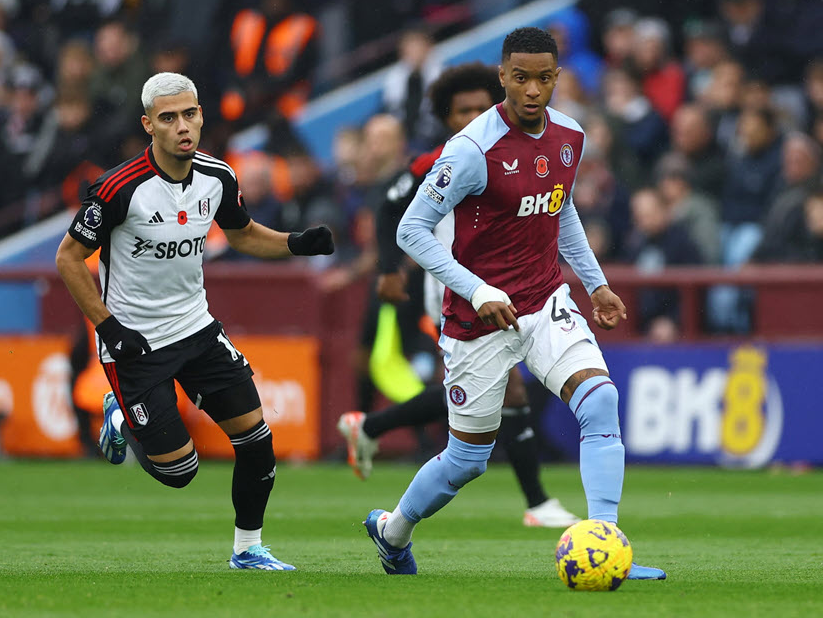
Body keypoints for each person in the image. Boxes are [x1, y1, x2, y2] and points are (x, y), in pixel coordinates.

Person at [361, 28, 666, 581]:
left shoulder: (570, 135)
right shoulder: (471, 150)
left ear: (557, 78)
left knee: (600, 403)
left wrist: (595, 283)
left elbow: (561, 209)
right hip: (476, 323)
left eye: (544, 78)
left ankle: (606, 542)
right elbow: (411, 230)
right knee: (467, 461)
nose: (532, 90)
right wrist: (478, 289)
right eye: (520, 78)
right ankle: (392, 531)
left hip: (546, 299)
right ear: (503, 76)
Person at [55, 72, 334, 571]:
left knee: (257, 440)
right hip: (135, 343)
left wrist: (295, 242)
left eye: (190, 114)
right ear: (148, 125)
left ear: (202, 115)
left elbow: (243, 234)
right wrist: (107, 326)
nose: (183, 126)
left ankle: (248, 551)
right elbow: (69, 259)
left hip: (197, 329)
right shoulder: (118, 188)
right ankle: (119, 413)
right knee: (180, 471)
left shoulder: (218, 176)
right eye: (168, 118)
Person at [338, 62, 580, 529]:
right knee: (501, 385)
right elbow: (392, 207)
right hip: (454, 286)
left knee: (480, 392)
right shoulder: (444, 158)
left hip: (508, 282)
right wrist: (388, 268)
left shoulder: (515, 147)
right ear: (445, 117)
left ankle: (369, 427)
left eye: (478, 106)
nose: (471, 115)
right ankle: (538, 502)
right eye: (460, 109)